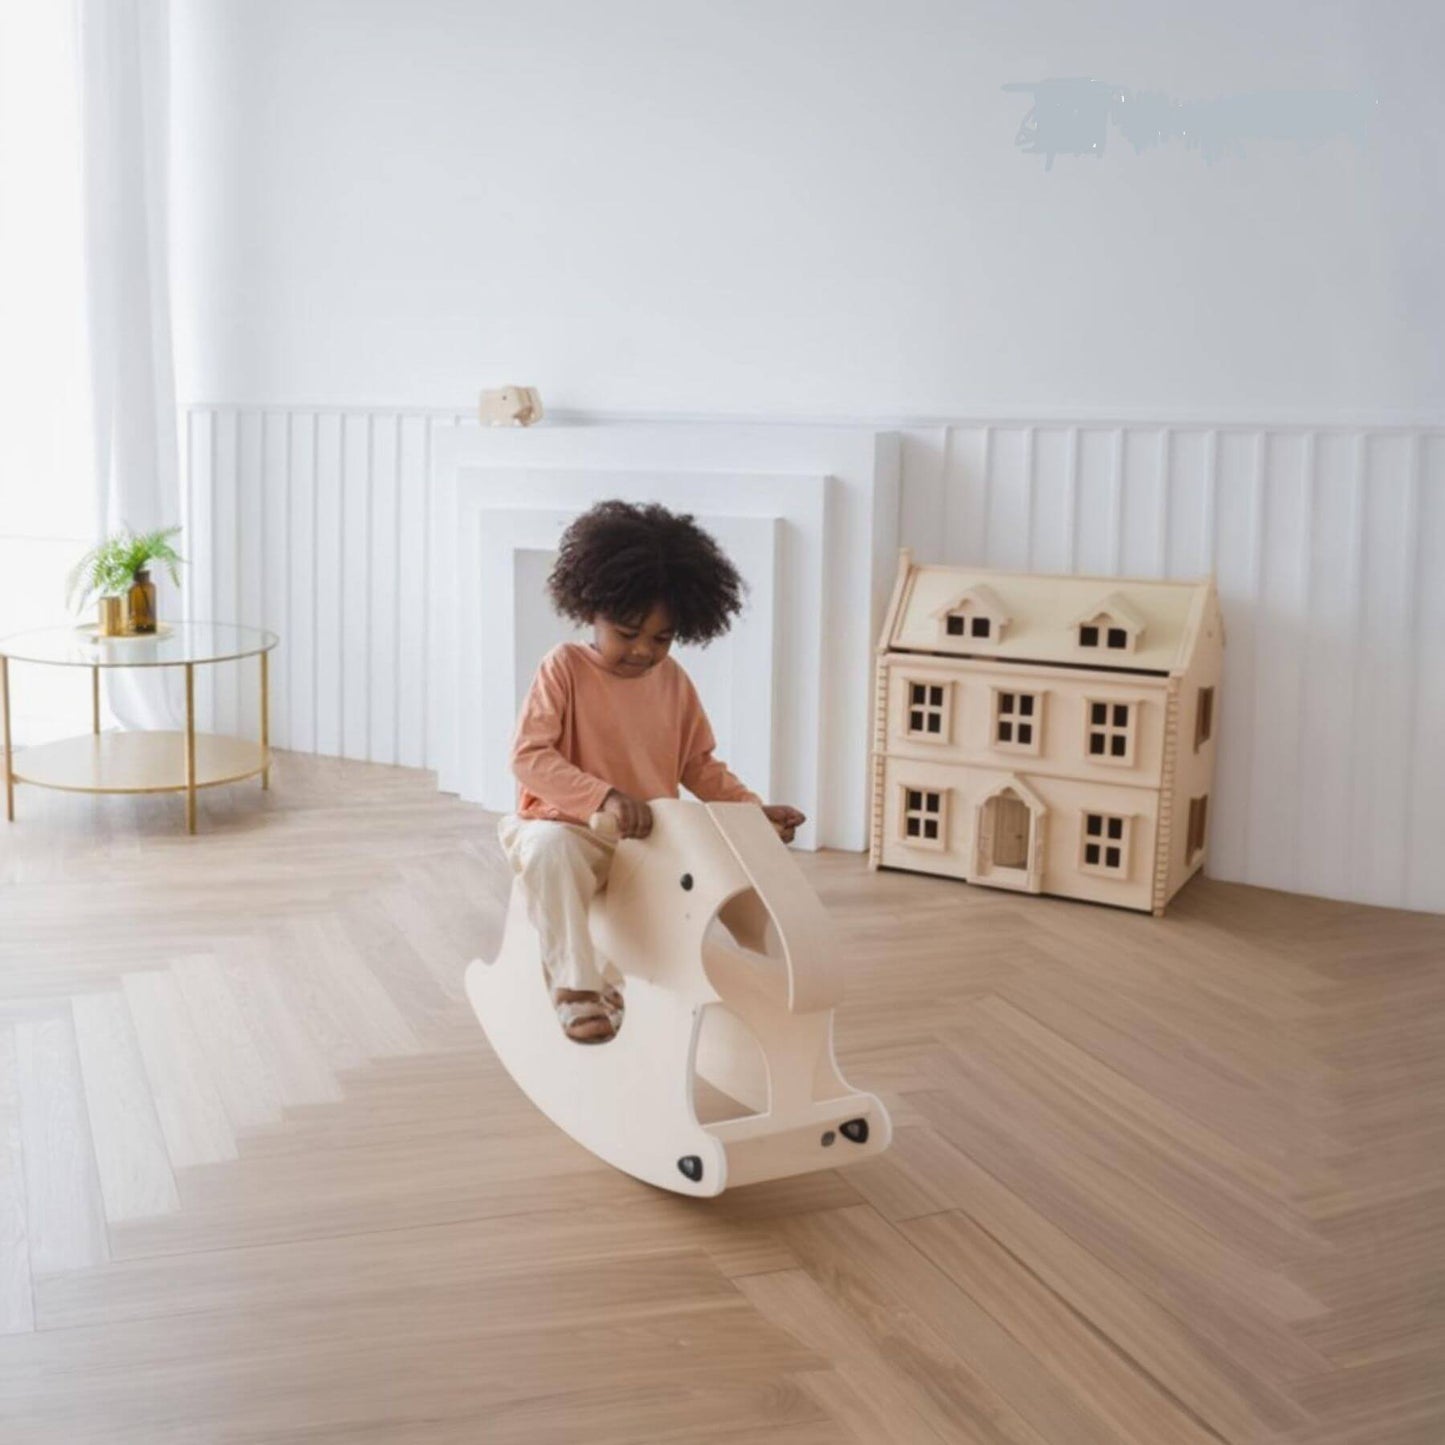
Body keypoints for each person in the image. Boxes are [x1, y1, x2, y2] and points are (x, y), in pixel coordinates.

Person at [499, 500, 806, 1044]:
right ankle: (577, 988)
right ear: (591, 611)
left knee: (723, 871)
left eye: (661, 639)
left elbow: (699, 767)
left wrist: (755, 815)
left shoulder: (675, 683)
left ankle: (747, 998)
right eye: (628, 633)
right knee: (548, 848)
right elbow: (529, 756)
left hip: (651, 844)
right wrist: (604, 797)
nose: (643, 650)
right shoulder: (564, 668)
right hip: (571, 831)